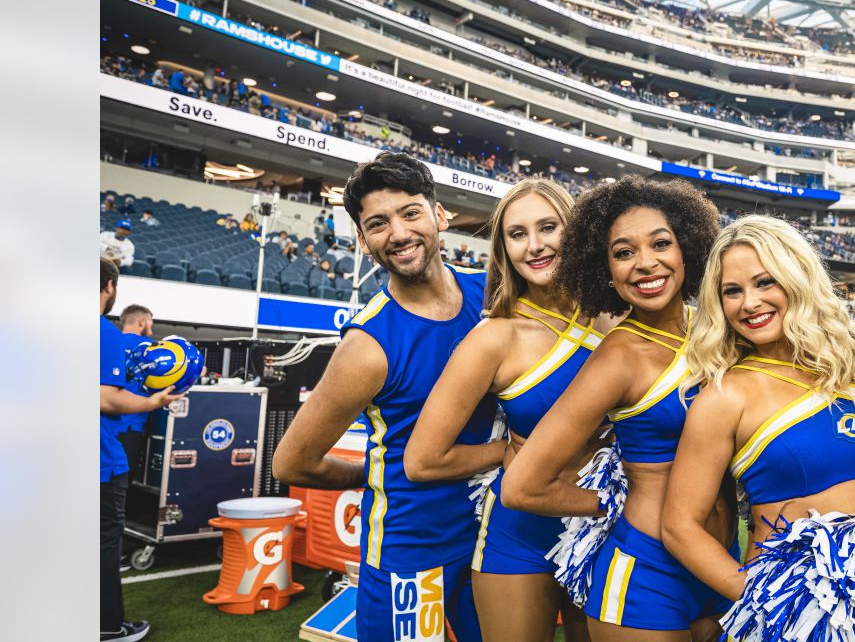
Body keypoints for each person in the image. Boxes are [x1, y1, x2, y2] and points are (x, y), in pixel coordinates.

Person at [663, 216, 855, 641]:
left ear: (797, 279)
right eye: (733, 291)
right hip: (795, 614)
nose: (749, 303)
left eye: (765, 282)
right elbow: (680, 526)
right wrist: (764, 599)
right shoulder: (725, 397)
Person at [502, 176, 734, 640]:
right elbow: (522, 487)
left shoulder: (715, 333)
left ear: (688, 248)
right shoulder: (619, 356)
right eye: (623, 252)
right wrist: (615, 506)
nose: (646, 264)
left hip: (718, 570)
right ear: (604, 271)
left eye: (661, 244)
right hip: (644, 577)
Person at [272, 152, 491, 642]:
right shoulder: (367, 346)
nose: (397, 233)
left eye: (410, 212)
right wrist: (370, 475)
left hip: (491, 538)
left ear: (440, 214)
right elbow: (290, 463)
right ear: (363, 240)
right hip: (411, 555)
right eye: (377, 223)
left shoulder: (492, 296)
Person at [405, 180, 606, 642]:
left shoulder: (616, 320)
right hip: (519, 535)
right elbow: (422, 460)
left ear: (574, 232)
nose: (534, 245)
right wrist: (505, 452)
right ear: (503, 248)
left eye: (548, 227)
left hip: (604, 525)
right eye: (517, 234)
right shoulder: (493, 337)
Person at [100, 259, 184, 642]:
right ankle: (106, 626)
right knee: (102, 537)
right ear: (110, 287)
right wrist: (155, 402)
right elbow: (107, 399)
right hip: (101, 452)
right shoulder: (106, 334)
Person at [117, 305, 155, 475]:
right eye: (151, 324)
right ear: (142, 322)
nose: (151, 328)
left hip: (102, 426)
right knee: (121, 485)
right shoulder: (150, 348)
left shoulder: (109, 342)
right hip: (130, 427)